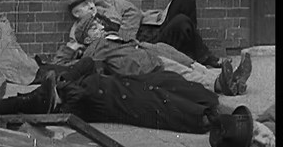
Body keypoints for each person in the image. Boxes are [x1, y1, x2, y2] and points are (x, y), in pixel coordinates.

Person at [0, 56, 223, 134]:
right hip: (120, 94)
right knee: (163, 102)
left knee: (169, 81)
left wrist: (65, 79)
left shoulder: (69, 84)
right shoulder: (73, 104)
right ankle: (214, 109)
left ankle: (216, 92)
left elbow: (87, 63)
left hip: (124, 83)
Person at [51, 0, 222, 68]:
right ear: (76, 13)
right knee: (182, 22)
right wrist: (128, 44)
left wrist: (125, 36)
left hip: (152, 26)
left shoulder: (106, 2)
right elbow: (76, 55)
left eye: (90, 1)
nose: (90, 6)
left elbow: (133, 11)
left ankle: (191, 52)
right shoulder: (78, 32)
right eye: (84, 5)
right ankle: (203, 58)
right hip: (147, 46)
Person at [76, 26, 252, 96]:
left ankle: (233, 79)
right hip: (142, 64)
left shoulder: (107, 38)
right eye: (93, 28)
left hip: (146, 53)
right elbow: (86, 68)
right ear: (86, 39)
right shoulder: (93, 49)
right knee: (181, 72)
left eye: (97, 24)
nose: (100, 26)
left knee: (178, 57)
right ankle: (219, 84)